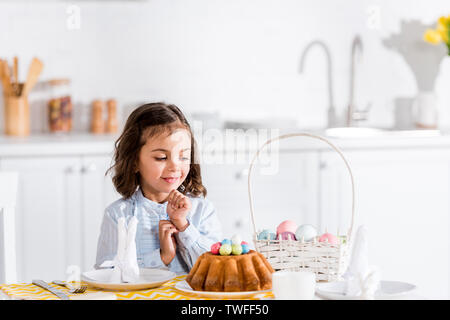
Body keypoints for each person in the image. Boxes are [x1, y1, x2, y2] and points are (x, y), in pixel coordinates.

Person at [95, 102, 222, 274]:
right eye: (162, 157)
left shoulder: (202, 211)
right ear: (134, 161)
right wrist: (161, 257)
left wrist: (184, 227)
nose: (174, 166)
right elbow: (106, 274)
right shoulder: (118, 215)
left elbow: (217, 269)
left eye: (183, 156)